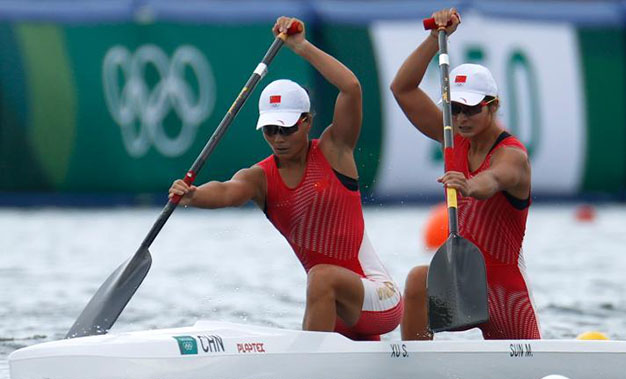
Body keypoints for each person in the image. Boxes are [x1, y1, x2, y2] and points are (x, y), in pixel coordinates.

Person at [168, 17, 402, 341]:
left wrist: (302, 47)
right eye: (270, 130)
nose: (278, 138)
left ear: (306, 122)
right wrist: (192, 196)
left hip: (379, 298)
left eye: (287, 128)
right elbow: (225, 191)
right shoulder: (259, 178)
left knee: (320, 277)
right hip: (334, 310)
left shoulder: (336, 150)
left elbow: (351, 87)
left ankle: (306, 370)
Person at [389, 7, 540, 341]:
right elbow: (402, 88)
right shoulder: (451, 137)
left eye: (471, 109)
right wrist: (433, 39)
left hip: (504, 293)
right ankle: (418, 368)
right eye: (454, 108)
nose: (461, 117)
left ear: (493, 105)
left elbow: (494, 180)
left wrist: (469, 185)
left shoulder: (512, 156)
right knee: (417, 279)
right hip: (461, 282)